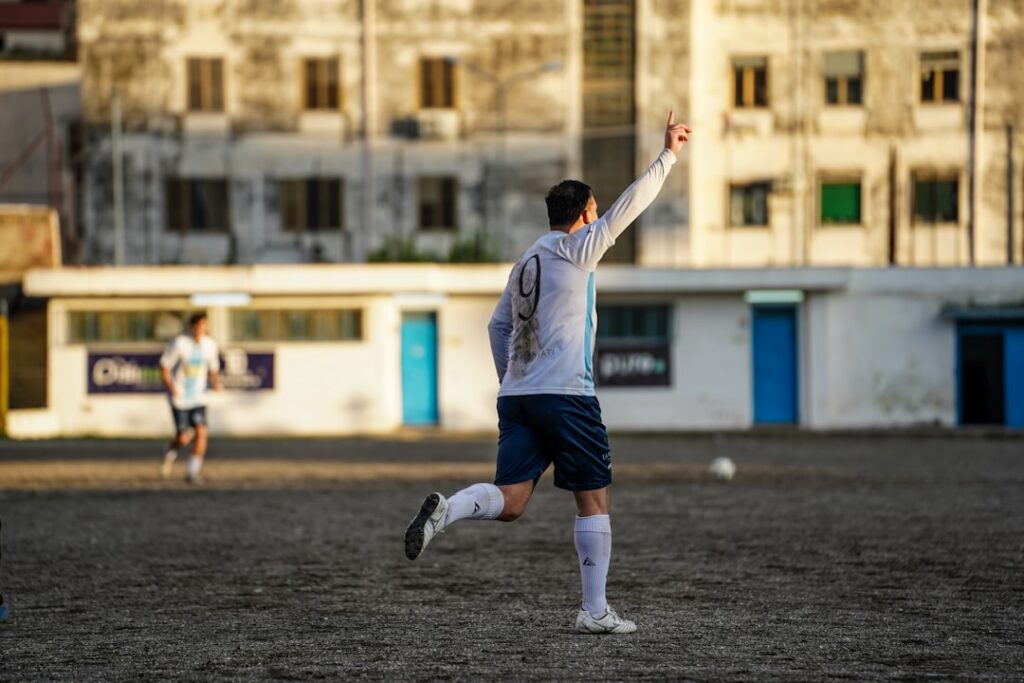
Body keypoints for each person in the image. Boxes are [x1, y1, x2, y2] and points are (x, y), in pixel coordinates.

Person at [404, 112, 690, 634]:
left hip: (519, 398)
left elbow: (497, 327)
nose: (599, 217)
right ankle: (594, 611)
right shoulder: (580, 249)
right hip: (565, 396)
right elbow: (633, 205)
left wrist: (511, 381)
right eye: (595, 211)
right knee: (594, 496)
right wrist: (668, 154)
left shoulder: (525, 261)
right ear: (584, 214)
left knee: (511, 502)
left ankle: (451, 509)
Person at [159, 312, 222, 483]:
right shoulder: (180, 343)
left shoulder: (210, 345)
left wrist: (215, 382)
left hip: (199, 397)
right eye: (197, 325)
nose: (200, 329)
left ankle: (192, 472)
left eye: (203, 325)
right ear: (191, 327)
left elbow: (213, 369)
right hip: (179, 398)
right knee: (184, 437)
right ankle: (171, 449)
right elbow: (165, 366)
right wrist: (171, 388)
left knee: (201, 431)